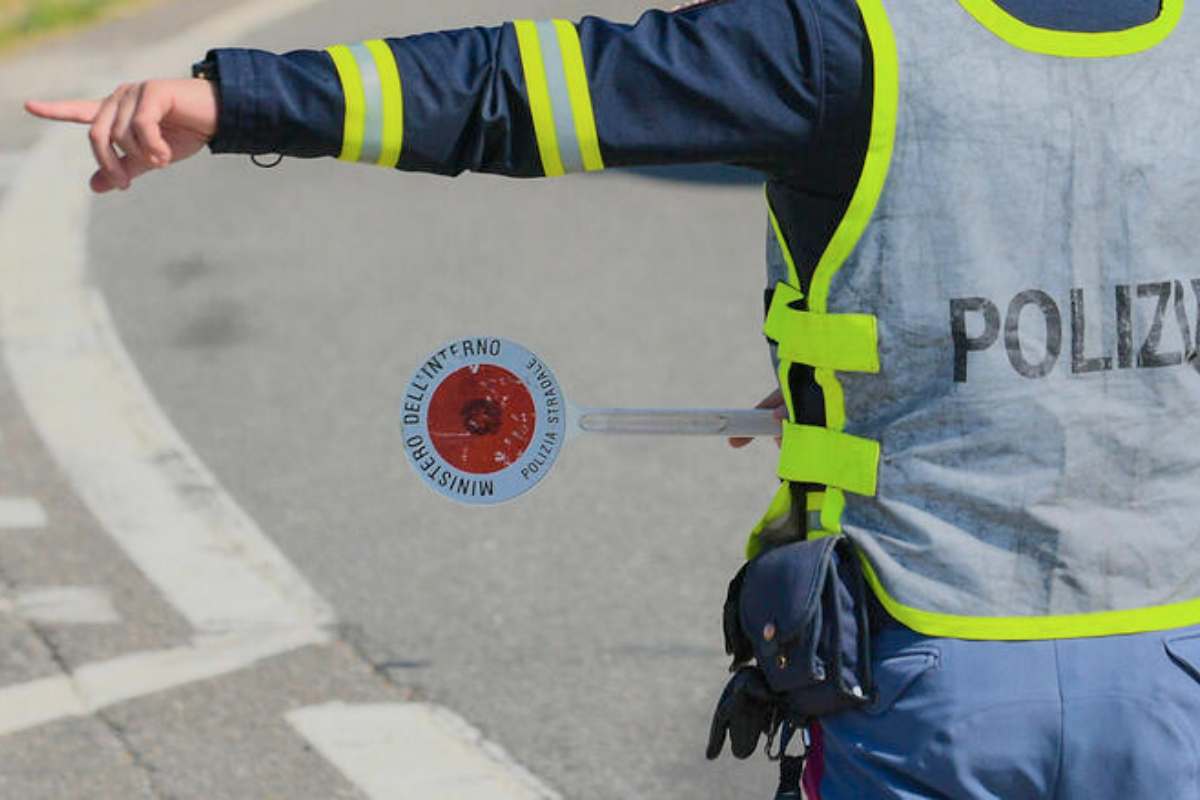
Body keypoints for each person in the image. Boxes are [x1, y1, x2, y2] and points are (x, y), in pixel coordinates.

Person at [25, 0, 1200, 797]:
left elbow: (531, 91)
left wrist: (235, 100)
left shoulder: (847, 41)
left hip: (929, 683)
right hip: (1174, 676)